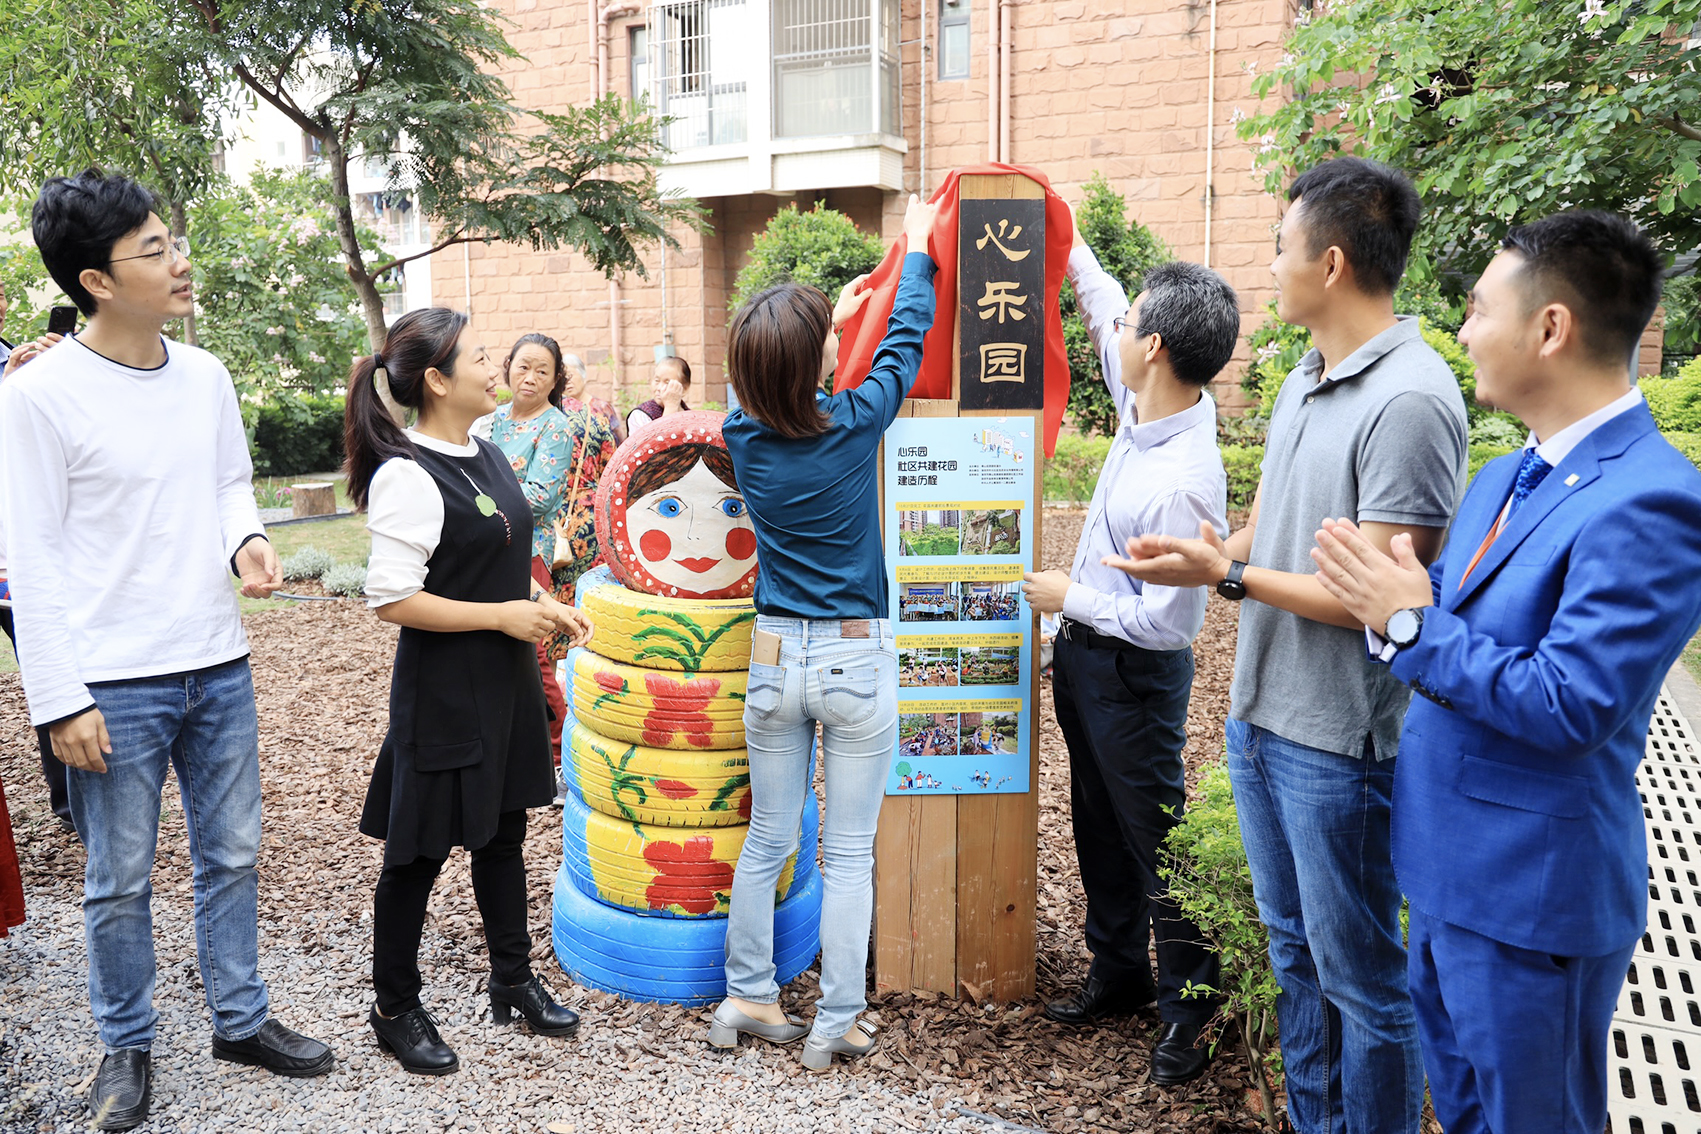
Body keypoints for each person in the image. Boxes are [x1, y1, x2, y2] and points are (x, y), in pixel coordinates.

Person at [1311, 211, 1701, 1134]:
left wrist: (1406, 621)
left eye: (1479, 308)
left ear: (1550, 327)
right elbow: (1426, 620)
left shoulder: (1652, 498)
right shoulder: (1499, 475)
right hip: (1445, 870)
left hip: (1532, 899)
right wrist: (1399, 615)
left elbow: (1571, 704)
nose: (1463, 330)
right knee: (1468, 1111)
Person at [1106, 157, 1468, 1134]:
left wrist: (1226, 578)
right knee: (1295, 959)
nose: (1270, 265)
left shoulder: (1413, 399)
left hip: (1339, 742)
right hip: (1261, 721)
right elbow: (1265, 535)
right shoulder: (1304, 381)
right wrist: (1207, 554)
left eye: (1280, 245)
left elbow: (1375, 603)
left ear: (1335, 261)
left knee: (1363, 983)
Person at [0, 169, 334, 1132]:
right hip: (112, 679)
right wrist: (58, 699)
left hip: (216, 662)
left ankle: (241, 1019)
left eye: (170, 241)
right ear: (96, 280)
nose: (179, 260)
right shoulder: (40, 397)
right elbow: (32, 557)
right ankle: (126, 1047)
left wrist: (249, 540)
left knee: (231, 855)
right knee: (119, 877)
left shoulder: (205, 375)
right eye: (153, 250)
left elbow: (231, 484)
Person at [709, 193, 939, 1070]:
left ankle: (748, 997)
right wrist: (914, 253)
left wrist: (818, 327)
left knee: (769, 837)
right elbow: (903, 343)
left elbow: (769, 380)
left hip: (771, 658)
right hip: (849, 657)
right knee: (844, 853)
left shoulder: (741, 432)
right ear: (816, 362)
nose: (845, 347)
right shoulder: (852, 424)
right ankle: (835, 1020)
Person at [344, 307, 593, 1075]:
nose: (495, 365)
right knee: (416, 856)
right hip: (445, 693)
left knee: (503, 835)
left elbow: (498, 553)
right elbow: (391, 599)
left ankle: (511, 980)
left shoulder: (483, 451)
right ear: (437, 380)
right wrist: (502, 616)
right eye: (478, 355)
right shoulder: (408, 476)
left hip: (505, 684)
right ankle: (393, 1006)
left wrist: (543, 608)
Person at [1020, 219, 1239, 1084]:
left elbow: (1169, 624)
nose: (1115, 331)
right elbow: (1102, 297)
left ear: (1153, 347)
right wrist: (1060, 233)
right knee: (1097, 824)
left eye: (1129, 325)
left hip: (1131, 672)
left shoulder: (1184, 475)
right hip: (1082, 661)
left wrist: (1064, 597)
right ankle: (1117, 974)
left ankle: (1191, 1010)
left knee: (1156, 839)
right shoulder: (1143, 399)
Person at [490, 334, 578, 762]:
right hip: (485, 548)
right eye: (524, 366)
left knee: (534, 652)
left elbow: (541, 495)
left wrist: (477, 500)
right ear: (508, 365)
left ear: (555, 379)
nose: (531, 378)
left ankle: (561, 753)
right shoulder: (489, 420)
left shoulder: (556, 426)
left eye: (543, 371)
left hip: (528, 551)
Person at [0, 325, 73, 833]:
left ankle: (72, 803)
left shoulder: (16, 356)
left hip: (17, 561)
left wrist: (56, 373)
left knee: (52, 666)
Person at [562, 351, 627, 447]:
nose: (567, 381)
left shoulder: (602, 408)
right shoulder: (559, 410)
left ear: (583, 376)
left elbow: (620, 442)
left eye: (570, 375)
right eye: (562, 378)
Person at [626, 354, 691, 436]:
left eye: (667, 382)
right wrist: (670, 407)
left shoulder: (691, 417)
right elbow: (658, 445)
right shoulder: (641, 415)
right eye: (657, 381)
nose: (659, 388)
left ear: (684, 388)